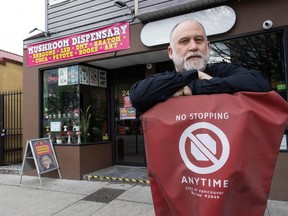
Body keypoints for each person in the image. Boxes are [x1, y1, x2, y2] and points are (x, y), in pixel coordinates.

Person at [129, 19, 270, 112]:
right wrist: (194, 75)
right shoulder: (165, 80)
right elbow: (137, 96)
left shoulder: (225, 71)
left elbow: (260, 84)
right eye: (184, 41)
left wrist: (193, 87)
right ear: (170, 52)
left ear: (208, 47)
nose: (193, 47)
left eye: (199, 40)